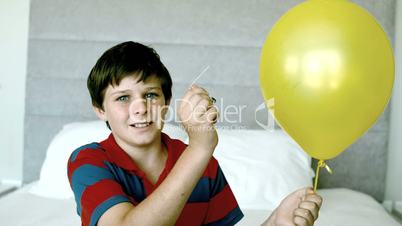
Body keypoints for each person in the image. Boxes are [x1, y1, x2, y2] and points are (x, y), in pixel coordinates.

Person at [67, 41, 322, 226]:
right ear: (101, 110)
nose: (140, 108)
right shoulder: (88, 161)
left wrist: (274, 223)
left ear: (166, 101)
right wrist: (199, 147)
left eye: (150, 95)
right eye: (123, 98)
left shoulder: (204, 167)